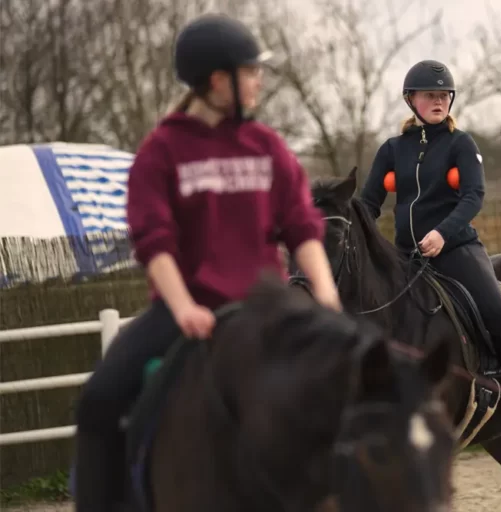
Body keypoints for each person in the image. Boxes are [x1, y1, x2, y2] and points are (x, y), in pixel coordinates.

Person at [72, 13, 341, 511]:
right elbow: (155, 243)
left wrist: (325, 296)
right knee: (99, 401)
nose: (259, 80)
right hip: (188, 312)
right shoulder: (161, 152)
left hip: (268, 310)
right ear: (218, 81)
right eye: (250, 71)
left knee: (357, 377)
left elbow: (302, 227)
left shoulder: (267, 146)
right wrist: (181, 307)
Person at [359, 59, 501, 431]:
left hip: (455, 250)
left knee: (495, 310)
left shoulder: (460, 144)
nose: (438, 101)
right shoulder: (391, 150)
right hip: (408, 258)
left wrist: (442, 234)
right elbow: (369, 204)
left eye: (444, 95)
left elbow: (473, 197)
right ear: (411, 100)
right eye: (430, 95)